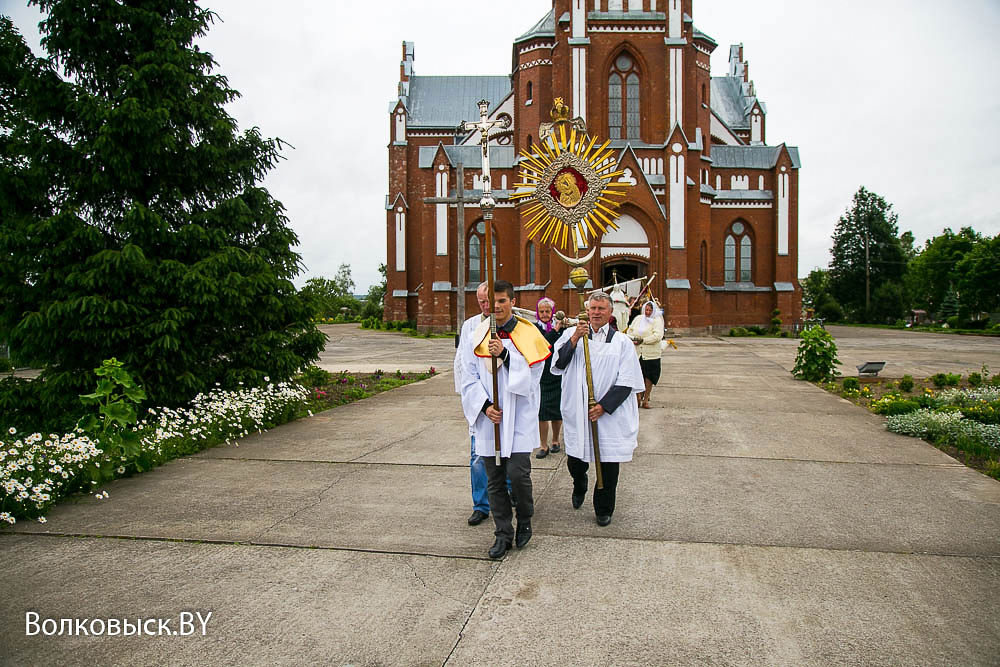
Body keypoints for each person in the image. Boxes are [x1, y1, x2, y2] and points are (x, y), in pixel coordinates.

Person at [459, 280, 550, 558]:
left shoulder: (528, 331)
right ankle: (502, 533)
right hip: (491, 418)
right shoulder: (478, 334)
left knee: (518, 474)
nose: (496, 307)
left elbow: (534, 375)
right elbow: (468, 375)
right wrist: (485, 406)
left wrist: (506, 354)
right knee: (495, 479)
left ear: (512, 301)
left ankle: (524, 517)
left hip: (519, 414)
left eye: (502, 301)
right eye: (492, 301)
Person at [550, 291, 644, 527]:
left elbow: (628, 381)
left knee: (608, 463)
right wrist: (573, 340)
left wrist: (603, 406)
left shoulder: (622, 342)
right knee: (576, 459)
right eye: (593, 308)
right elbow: (558, 363)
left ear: (610, 313)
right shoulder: (573, 335)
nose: (596, 313)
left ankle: (603, 507)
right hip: (578, 411)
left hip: (608, 415)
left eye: (601, 309)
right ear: (587, 310)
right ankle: (579, 482)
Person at [454, 282, 492, 526]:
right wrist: (469, 399)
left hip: (505, 401)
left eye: (489, 300)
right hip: (479, 401)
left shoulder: (514, 323)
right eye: (482, 301)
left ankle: (508, 493)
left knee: (506, 452)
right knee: (478, 456)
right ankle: (481, 504)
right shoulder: (470, 326)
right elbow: (461, 364)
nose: (486, 305)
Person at [533, 297, 564, 459]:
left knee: (557, 411)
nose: (544, 314)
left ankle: (555, 440)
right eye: (541, 311)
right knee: (542, 412)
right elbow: (541, 345)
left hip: (557, 373)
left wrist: (560, 328)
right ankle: (543, 444)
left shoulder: (561, 328)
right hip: (541, 374)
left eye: (547, 311)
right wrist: (555, 331)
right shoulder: (533, 328)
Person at [628, 300, 664, 409]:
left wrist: (643, 340)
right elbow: (630, 330)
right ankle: (638, 397)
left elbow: (657, 336)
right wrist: (632, 339)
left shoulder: (657, 320)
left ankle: (646, 398)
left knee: (649, 376)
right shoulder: (638, 318)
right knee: (638, 375)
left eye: (650, 310)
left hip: (651, 354)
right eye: (646, 310)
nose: (647, 312)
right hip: (637, 352)